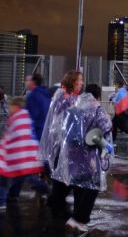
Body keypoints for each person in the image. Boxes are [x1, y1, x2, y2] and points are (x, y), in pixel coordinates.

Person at [50, 84, 112, 232]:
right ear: (97, 97)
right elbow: (105, 130)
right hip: (90, 157)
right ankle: (79, 219)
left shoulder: (72, 109)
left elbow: (59, 130)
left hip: (71, 156)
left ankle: (70, 215)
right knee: (91, 188)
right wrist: (106, 150)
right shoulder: (98, 110)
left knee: (78, 186)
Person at [40, 70, 83, 209]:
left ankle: (56, 202)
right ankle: (56, 204)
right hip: (65, 146)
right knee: (64, 178)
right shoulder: (65, 99)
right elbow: (60, 125)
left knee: (65, 178)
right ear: (73, 82)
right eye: (80, 80)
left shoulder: (70, 98)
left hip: (68, 146)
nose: (82, 82)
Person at [0, 97, 48, 212]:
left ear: (16, 106)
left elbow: (12, 136)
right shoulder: (26, 117)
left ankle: (2, 201)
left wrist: (4, 146)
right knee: (21, 177)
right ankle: (13, 196)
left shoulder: (17, 118)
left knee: (5, 177)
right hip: (26, 155)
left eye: (11, 106)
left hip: (19, 155)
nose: (10, 108)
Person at [25, 73, 51, 140]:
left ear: (33, 82)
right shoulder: (46, 94)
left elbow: (31, 116)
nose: (26, 82)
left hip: (36, 132)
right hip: (46, 131)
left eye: (28, 80)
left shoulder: (33, 96)